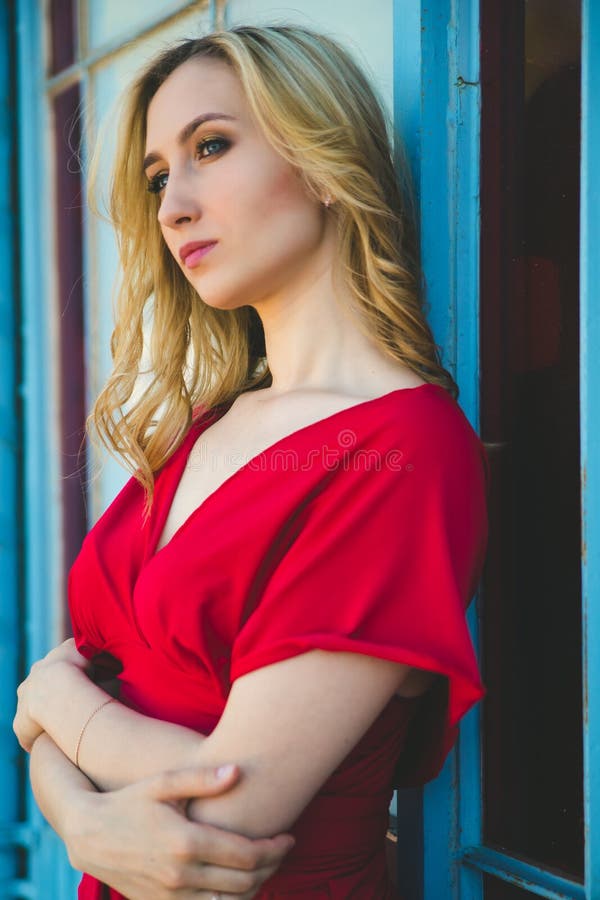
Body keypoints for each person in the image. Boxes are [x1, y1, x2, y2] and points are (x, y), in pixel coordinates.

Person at [14, 24, 489, 900]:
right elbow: (78, 710)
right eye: (159, 176)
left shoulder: (401, 452)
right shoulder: (206, 425)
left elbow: (224, 814)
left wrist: (52, 707)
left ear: (321, 157)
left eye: (212, 146)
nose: (171, 206)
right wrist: (82, 820)